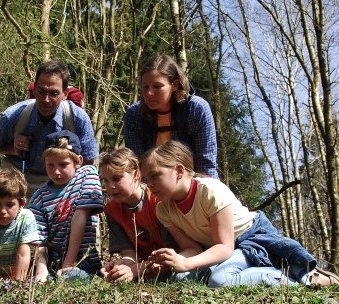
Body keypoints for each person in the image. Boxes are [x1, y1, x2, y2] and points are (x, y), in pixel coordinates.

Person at [140, 140, 339, 287]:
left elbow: (224, 247)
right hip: (224, 250)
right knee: (180, 279)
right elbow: (192, 248)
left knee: (220, 281)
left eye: (155, 176)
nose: (149, 184)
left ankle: (300, 278)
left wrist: (186, 263)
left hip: (251, 238)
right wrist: (174, 260)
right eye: (146, 179)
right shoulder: (163, 209)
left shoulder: (210, 191)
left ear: (179, 170)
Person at [0, 60, 99, 197]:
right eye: (41, 92)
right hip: (17, 180)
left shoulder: (77, 118)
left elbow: (88, 162)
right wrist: (13, 148)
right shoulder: (14, 115)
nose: (46, 99)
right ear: (34, 89)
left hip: (59, 183)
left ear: (65, 94)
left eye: (53, 94)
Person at [124, 54, 218, 179]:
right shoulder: (134, 114)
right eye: (145, 86)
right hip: (152, 188)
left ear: (174, 85)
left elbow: (206, 165)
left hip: (192, 185)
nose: (149, 93)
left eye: (157, 86)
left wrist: (205, 194)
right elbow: (138, 166)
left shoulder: (196, 109)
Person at [29, 131, 103, 281]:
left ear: (78, 161)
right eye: (51, 165)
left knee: (74, 278)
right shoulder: (39, 198)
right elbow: (40, 242)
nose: (56, 171)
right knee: (39, 282)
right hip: (52, 264)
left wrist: (68, 263)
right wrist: (41, 272)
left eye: (63, 164)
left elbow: (80, 215)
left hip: (82, 261)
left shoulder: (87, 174)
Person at [99, 148, 170, 282]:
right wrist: (121, 264)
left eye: (116, 178)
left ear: (136, 173)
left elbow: (174, 251)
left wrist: (136, 269)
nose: (110, 186)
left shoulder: (157, 201)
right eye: (105, 180)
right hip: (144, 270)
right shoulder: (111, 210)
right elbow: (129, 253)